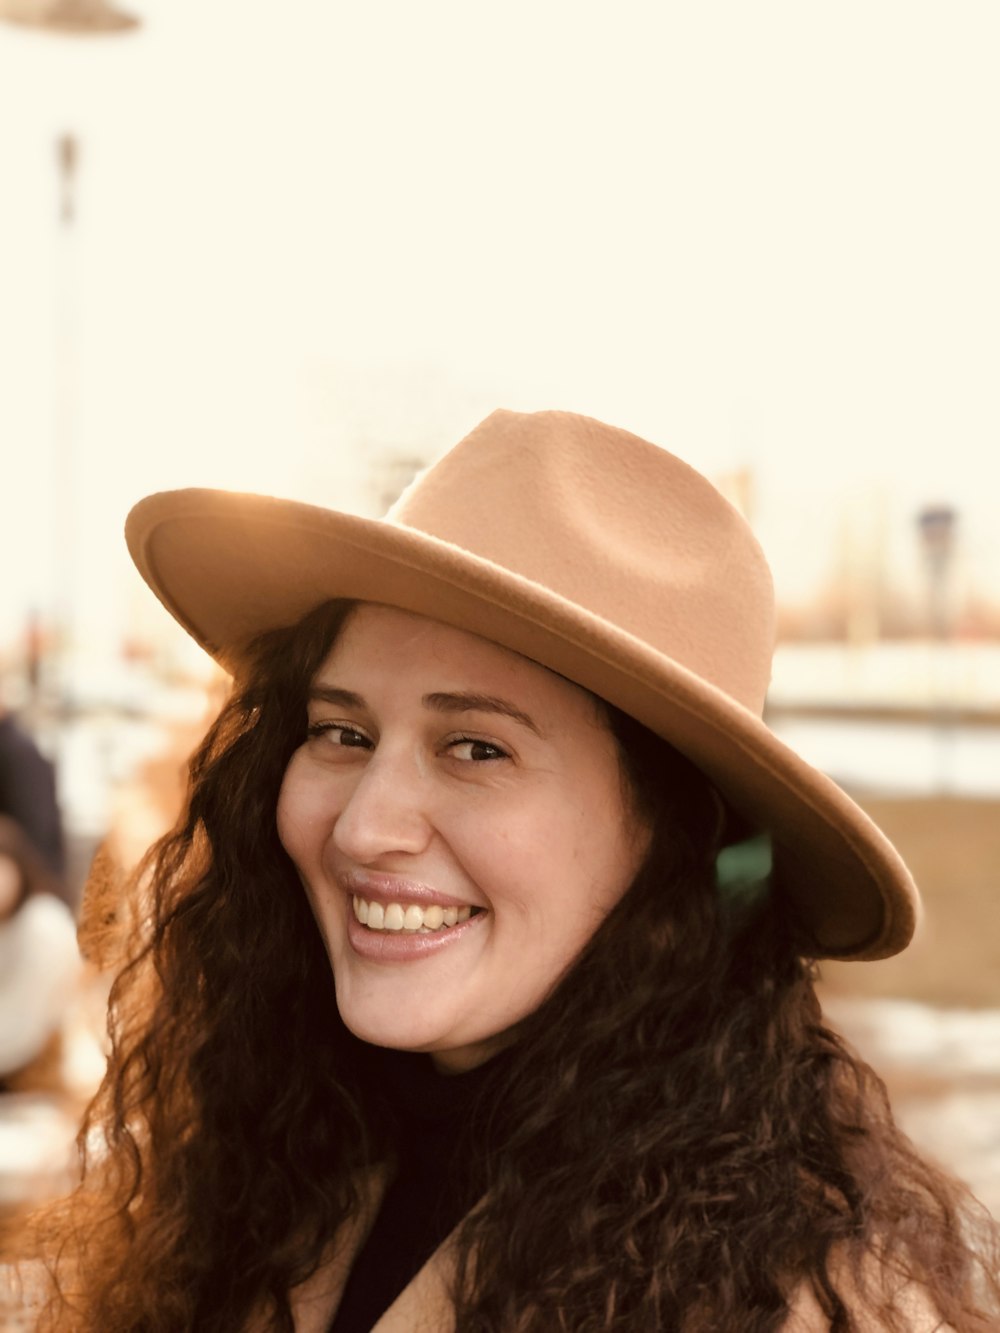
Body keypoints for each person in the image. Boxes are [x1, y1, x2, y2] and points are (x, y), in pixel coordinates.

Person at [12, 410, 1000, 1330]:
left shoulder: (813, 1294)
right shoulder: (268, 1153)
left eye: (476, 748)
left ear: (673, 833)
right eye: (342, 731)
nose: (364, 826)